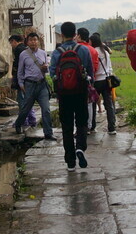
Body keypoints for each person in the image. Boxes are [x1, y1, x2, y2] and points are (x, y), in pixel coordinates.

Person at [50, 21, 93, 172]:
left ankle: (70, 162)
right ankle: (80, 147)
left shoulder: (57, 52)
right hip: (80, 92)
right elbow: (89, 70)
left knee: (67, 126)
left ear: (61, 35)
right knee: (81, 122)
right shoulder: (82, 50)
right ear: (75, 34)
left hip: (64, 95)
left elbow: (52, 74)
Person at [13, 32, 55, 140]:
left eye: (35, 40)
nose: (33, 42)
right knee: (26, 108)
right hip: (29, 85)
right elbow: (20, 71)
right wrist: (21, 83)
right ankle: (18, 124)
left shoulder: (43, 53)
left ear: (38, 41)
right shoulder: (23, 54)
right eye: (31, 40)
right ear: (27, 42)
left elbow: (47, 70)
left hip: (41, 84)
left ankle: (48, 133)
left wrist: (46, 68)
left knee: (46, 109)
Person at [89, 33, 117, 135]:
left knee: (92, 104)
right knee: (108, 104)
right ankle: (112, 127)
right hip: (106, 80)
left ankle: (92, 126)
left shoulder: (93, 52)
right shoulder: (105, 52)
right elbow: (109, 67)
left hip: (96, 81)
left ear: (92, 42)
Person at [10, 34, 37, 129]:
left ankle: (24, 121)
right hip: (30, 78)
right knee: (28, 99)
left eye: (11, 43)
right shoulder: (27, 49)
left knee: (21, 100)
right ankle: (32, 119)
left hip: (22, 79)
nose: (11, 46)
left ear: (14, 41)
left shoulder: (18, 49)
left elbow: (19, 67)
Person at [76, 28, 99, 133]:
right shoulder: (93, 50)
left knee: (77, 104)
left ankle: (80, 126)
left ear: (79, 36)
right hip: (89, 79)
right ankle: (89, 126)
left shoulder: (76, 49)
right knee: (89, 104)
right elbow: (94, 67)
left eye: (77, 35)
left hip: (76, 80)